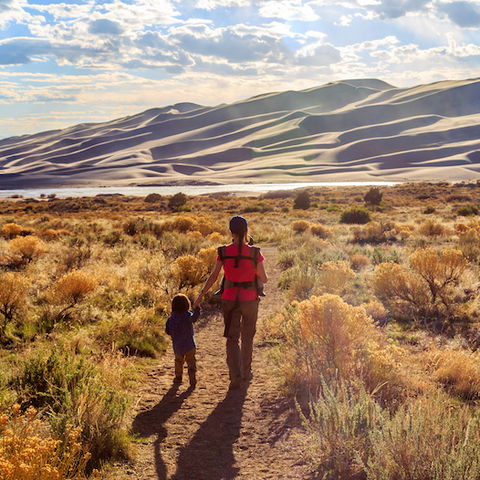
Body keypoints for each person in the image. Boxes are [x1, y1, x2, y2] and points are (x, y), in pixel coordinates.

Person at [194, 215, 268, 390]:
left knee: (232, 338)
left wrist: (200, 296)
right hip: (250, 300)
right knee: (248, 337)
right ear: (246, 231)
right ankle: (246, 372)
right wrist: (252, 273)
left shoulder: (223, 252)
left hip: (229, 299)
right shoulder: (255, 252)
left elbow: (214, 277)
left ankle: (235, 375)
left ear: (231, 232)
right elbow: (264, 278)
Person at [165, 293, 201, 387]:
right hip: (189, 344)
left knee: (178, 362)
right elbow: (194, 318)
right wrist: (198, 309)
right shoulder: (186, 315)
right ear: (186, 304)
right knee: (191, 361)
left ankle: (178, 377)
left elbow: (167, 331)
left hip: (177, 346)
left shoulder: (171, 319)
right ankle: (192, 377)